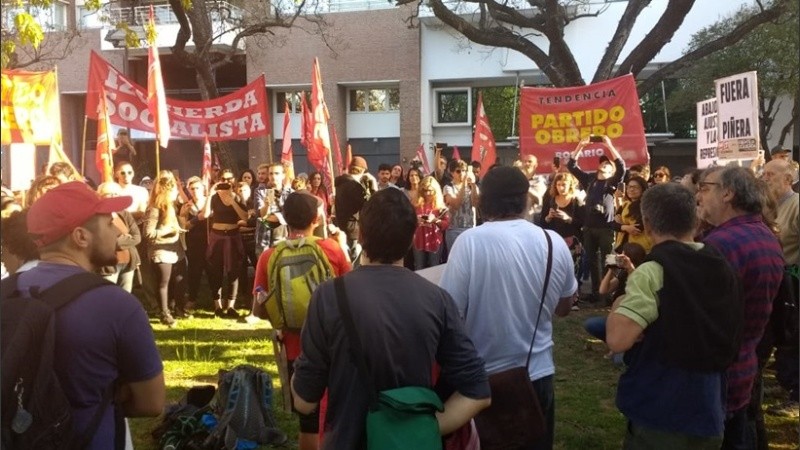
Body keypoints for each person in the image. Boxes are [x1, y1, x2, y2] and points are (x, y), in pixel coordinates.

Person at [292, 188, 491, 449]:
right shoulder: (437, 299)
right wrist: (423, 427)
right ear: (411, 239)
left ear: (361, 235)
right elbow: (477, 391)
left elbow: (305, 400)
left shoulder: (328, 296)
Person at [439, 166, 578, 450]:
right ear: (526, 199)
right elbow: (565, 307)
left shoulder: (470, 242)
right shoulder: (554, 242)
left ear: (483, 200)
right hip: (535, 375)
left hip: (479, 380)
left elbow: (449, 312)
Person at [21, 181, 165, 449]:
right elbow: (151, 403)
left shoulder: (7, 292)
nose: (116, 231)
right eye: (109, 224)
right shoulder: (117, 304)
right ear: (81, 237)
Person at [606, 183, 745, 449]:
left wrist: (620, 302)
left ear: (647, 224)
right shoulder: (723, 265)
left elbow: (618, 339)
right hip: (710, 406)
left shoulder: (652, 270)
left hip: (662, 409)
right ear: (695, 220)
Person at [252, 192, 351, 448]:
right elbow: (349, 295)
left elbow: (258, 311)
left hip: (295, 347)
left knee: (307, 421)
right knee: (336, 415)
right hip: (333, 345)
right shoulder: (332, 249)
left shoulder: (269, 256)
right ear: (316, 218)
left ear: (285, 219)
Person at [695, 166, 785, 448]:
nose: (698, 196)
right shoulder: (763, 234)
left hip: (715, 378)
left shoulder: (721, 245)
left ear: (728, 194)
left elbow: (695, 315)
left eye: (705, 187)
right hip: (742, 369)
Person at [567, 135, 625, 305]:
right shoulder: (589, 180)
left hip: (606, 228)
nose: (604, 164)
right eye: (603, 162)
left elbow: (621, 167)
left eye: (608, 163)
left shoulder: (612, 182)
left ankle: (606, 294)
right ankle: (596, 293)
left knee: (607, 260)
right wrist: (580, 146)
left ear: (611, 170)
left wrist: (609, 145)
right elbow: (572, 166)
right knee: (591, 261)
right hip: (589, 227)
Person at [762, 159, 799, 416]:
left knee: (796, 338)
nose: (765, 178)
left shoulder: (796, 206)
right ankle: (787, 384)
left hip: (794, 282)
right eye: (763, 174)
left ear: (788, 179)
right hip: (778, 282)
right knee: (782, 336)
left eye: (771, 175)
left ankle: (797, 396)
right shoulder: (770, 207)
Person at [144, 172, 188, 326]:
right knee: (163, 282)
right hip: (161, 251)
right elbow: (149, 233)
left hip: (176, 249)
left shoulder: (172, 206)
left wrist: (178, 228)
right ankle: (164, 313)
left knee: (179, 279)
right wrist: (169, 230)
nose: (177, 191)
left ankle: (178, 308)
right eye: (175, 188)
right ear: (167, 190)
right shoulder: (155, 208)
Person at [205, 169, 249, 318]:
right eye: (223, 179)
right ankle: (217, 305)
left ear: (234, 181)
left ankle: (231, 305)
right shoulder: (214, 198)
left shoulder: (237, 197)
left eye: (229, 179)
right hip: (217, 236)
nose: (226, 182)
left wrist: (233, 203)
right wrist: (210, 194)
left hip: (232, 235)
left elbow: (245, 216)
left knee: (233, 270)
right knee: (215, 270)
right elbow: (205, 215)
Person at [97, 182, 141, 294]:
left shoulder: (124, 213)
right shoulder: (96, 216)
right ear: (100, 196)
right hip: (108, 266)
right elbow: (101, 241)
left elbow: (137, 237)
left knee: (126, 297)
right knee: (108, 299)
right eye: (109, 194)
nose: (113, 197)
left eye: (116, 194)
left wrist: (117, 240)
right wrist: (126, 238)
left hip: (128, 264)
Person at [333, 156, 376, 262]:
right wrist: (373, 185)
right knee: (352, 261)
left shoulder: (340, 183)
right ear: (362, 171)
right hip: (353, 228)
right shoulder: (354, 186)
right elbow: (370, 205)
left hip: (342, 225)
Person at [178, 176, 209, 313]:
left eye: (197, 188)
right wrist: (196, 219)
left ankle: (216, 299)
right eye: (192, 188)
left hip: (210, 242)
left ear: (203, 189)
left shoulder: (209, 202)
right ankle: (192, 299)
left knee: (213, 272)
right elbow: (184, 226)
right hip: (193, 243)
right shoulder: (186, 205)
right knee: (194, 272)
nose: (195, 191)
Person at [413, 176, 448, 270]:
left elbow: (446, 224)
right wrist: (416, 220)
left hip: (434, 239)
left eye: (430, 190)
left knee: (434, 267)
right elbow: (408, 221)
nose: (427, 193)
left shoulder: (440, 205)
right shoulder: (416, 204)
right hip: (419, 239)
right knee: (419, 267)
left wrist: (434, 220)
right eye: (424, 190)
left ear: (435, 190)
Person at [443, 159, 479, 251]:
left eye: (464, 171)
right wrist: (464, 185)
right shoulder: (448, 187)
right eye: (458, 171)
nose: (462, 174)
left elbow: (476, 203)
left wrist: (474, 186)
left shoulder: (472, 186)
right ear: (452, 173)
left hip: (470, 228)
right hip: (454, 229)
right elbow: (455, 204)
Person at [612, 176, 652, 253]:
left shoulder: (646, 206)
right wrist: (626, 227)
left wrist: (621, 225)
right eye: (629, 187)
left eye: (635, 187)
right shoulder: (625, 205)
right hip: (622, 247)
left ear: (643, 189)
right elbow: (613, 224)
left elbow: (638, 228)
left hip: (640, 248)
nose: (631, 189)